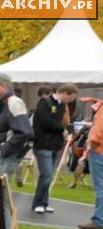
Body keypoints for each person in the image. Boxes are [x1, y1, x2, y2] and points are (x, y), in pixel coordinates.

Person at [30, 83, 75, 214]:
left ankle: (44, 202)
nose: (71, 101)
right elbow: (46, 122)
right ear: (65, 93)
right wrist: (62, 130)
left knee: (49, 175)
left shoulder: (62, 105)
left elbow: (60, 122)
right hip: (43, 144)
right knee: (46, 174)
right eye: (71, 98)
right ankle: (38, 203)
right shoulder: (45, 103)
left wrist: (64, 130)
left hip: (56, 144)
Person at [0, 72, 32, 189]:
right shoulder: (1, 104)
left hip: (3, 156)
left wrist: (3, 150)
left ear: (4, 86)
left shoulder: (13, 102)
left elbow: (25, 132)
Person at [80, 98, 103, 229]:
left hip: (99, 152)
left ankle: (99, 219)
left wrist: (89, 150)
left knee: (100, 187)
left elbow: (97, 133)